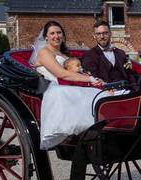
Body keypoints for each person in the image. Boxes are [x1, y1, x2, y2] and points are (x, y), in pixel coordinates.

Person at [30, 20, 106, 149]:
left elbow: (72, 72)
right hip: (53, 85)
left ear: (63, 35)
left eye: (59, 32)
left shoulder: (64, 55)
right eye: (52, 33)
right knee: (68, 92)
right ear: (46, 37)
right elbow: (61, 74)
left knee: (98, 91)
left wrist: (92, 78)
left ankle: (101, 126)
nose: (56, 36)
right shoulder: (44, 52)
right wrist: (89, 79)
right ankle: (84, 129)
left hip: (68, 83)